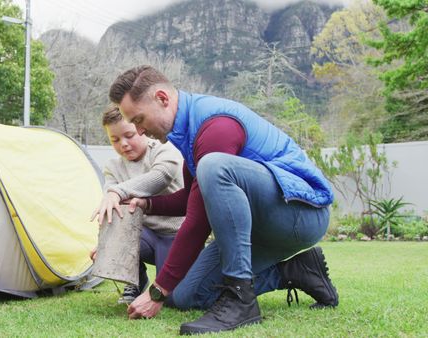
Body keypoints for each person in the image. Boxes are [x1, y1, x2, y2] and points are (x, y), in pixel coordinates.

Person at [108, 65, 338, 335]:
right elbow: (191, 199)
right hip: (262, 225)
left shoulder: (215, 126)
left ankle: (240, 299)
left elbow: (198, 219)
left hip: (301, 214)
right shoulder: (190, 134)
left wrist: (156, 292)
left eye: (138, 119)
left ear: (162, 98)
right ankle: (295, 271)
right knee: (183, 294)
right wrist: (147, 203)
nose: (139, 130)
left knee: (213, 167)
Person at [91, 105, 184, 304]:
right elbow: (110, 199)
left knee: (175, 299)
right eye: (115, 140)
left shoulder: (165, 149)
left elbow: (161, 176)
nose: (123, 144)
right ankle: (134, 281)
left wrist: (118, 191)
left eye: (129, 135)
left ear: (141, 130)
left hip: (176, 235)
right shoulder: (112, 167)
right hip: (144, 236)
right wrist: (107, 246)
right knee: (114, 209)